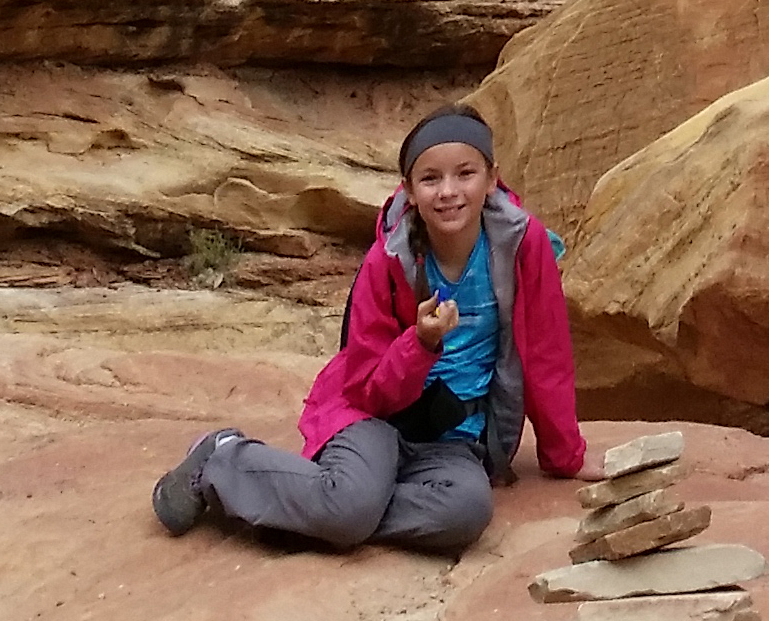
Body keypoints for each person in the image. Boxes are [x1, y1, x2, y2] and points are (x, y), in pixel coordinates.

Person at [148, 101, 585, 554]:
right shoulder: (388, 260)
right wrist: (421, 342)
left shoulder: (524, 245)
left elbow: (546, 355)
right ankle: (223, 459)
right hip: (374, 418)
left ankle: (320, 510)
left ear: (493, 179)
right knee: (352, 506)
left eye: (465, 174)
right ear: (410, 191)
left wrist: (564, 456)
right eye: (430, 178)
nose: (449, 191)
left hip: (454, 438)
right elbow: (366, 388)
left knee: (466, 511)